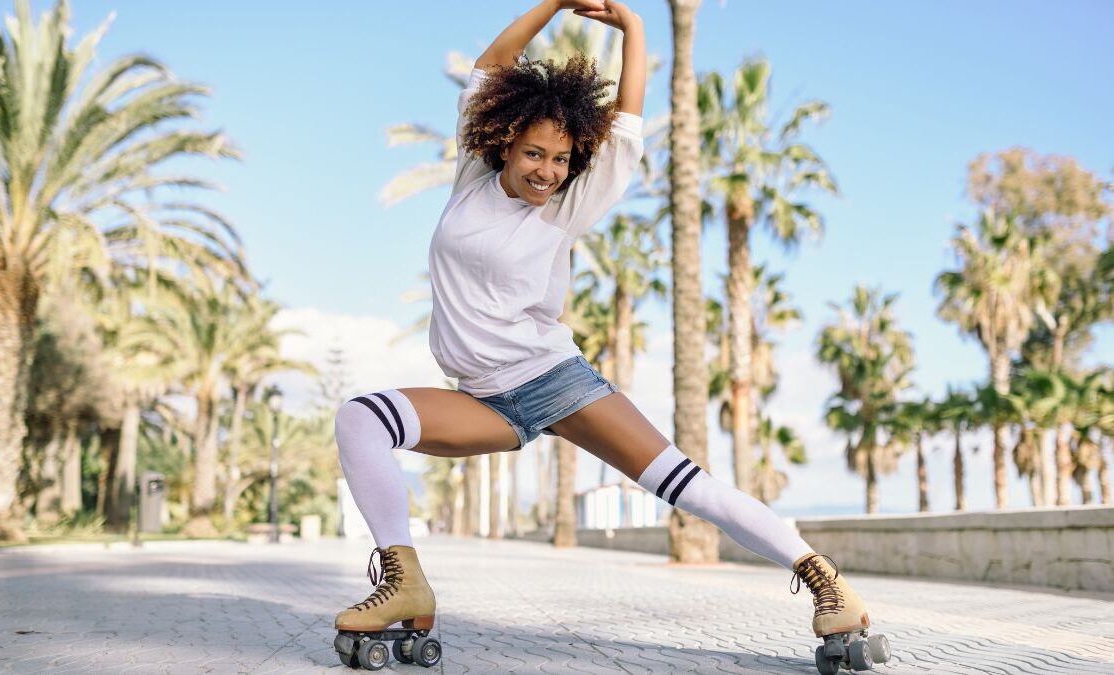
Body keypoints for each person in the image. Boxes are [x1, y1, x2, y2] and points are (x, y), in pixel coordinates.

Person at [334, 0, 873, 659]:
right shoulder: (472, 176)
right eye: (534, 153)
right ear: (504, 141)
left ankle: (824, 578)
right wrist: (556, 4)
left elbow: (627, 127)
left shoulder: (567, 205)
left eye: (560, 159)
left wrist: (634, 27)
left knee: (685, 484)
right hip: (483, 399)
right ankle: (405, 582)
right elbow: (489, 69)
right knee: (361, 417)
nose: (546, 171)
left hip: (554, 382)